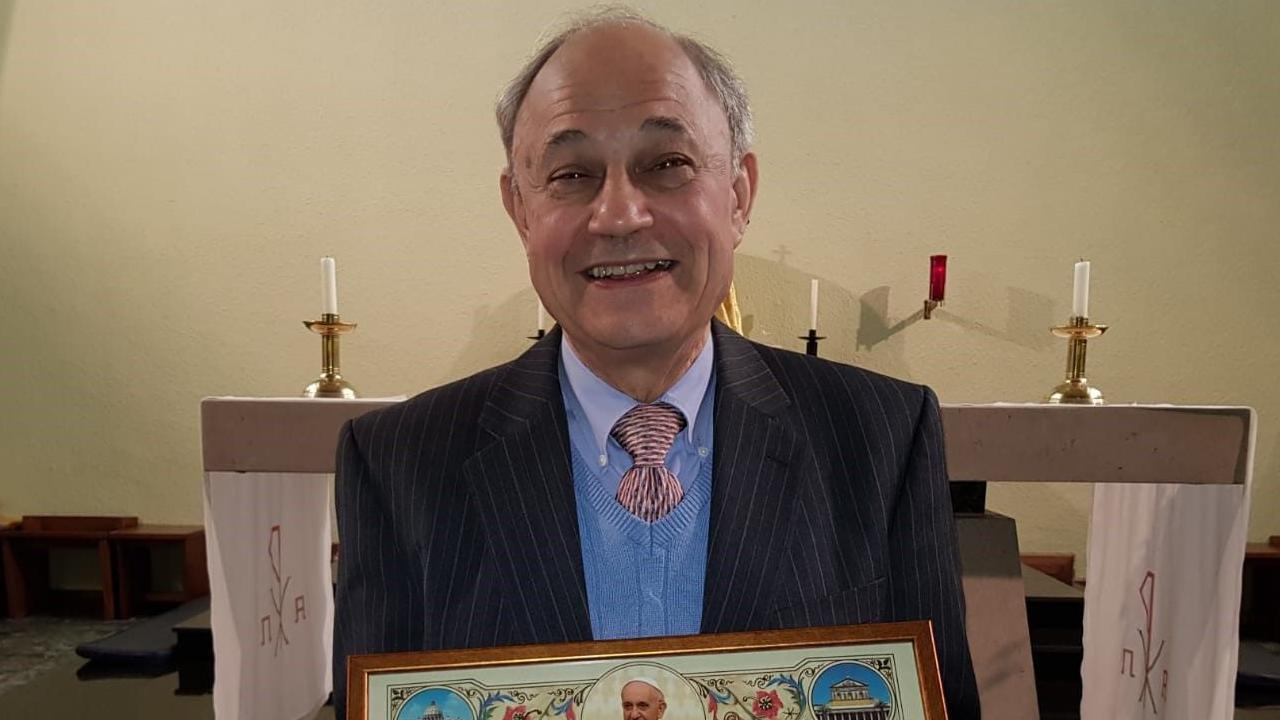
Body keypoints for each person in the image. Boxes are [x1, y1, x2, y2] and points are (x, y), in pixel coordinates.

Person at [332, 9, 978, 718]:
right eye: (571, 173)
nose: (619, 215)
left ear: (738, 194)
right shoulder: (400, 463)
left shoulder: (880, 437)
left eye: (666, 164)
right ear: (520, 209)